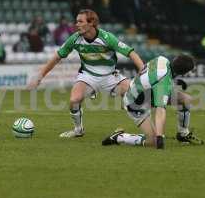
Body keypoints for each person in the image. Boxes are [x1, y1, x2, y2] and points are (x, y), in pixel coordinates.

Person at [28, 9, 145, 138]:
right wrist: (40, 77)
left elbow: (130, 53)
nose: (76, 24)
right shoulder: (75, 39)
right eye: (76, 21)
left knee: (135, 94)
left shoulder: (107, 38)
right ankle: (78, 130)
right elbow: (56, 57)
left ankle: (150, 131)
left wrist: (142, 70)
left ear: (91, 23)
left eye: (80, 21)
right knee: (74, 100)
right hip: (88, 76)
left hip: (110, 76)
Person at [102, 55, 199, 149]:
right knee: (153, 141)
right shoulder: (163, 85)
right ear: (184, 73)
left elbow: (155, 78)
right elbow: (160, 110)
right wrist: (159, 136)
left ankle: (183, 134)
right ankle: (119, 137)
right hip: (135, 104)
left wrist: (175, 82)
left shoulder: (162, 59)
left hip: (142, 93)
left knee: (185, 99)